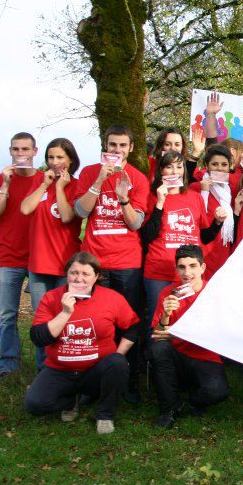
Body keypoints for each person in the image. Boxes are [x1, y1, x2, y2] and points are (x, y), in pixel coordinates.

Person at [73, 125, 149, 401]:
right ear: (104, 147)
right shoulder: (90, 172)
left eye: (122, 146)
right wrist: (98, 183)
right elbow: (81, 211)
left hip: (126, 262)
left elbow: (135, 223)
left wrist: (123, 198)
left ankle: (129, 381)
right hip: (94, 261)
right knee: (93, 321)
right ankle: (93, 382)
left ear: (130, 149)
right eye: (112, 145)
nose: (117, 151)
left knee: (127, 322)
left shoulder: (138, 178)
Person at [25, 252, 138, 435]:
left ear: (97, 277)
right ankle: (71, 400)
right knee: (35, 405)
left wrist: (118, 354)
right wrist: (65, 313)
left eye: (86, 274)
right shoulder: (52, 298)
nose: (79, 279)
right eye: (74, 273)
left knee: (117, 363)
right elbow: (39, 338)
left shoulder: (111, 298)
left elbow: (132, 327)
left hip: (95, 370)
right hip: (60, 369)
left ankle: (105, 414)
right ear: (66, 274)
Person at [142, 151, 227, 329]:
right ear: (161, 171)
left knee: (188, 322)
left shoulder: (194, 197)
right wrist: (160, 203)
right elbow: (147, 236)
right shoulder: (151, 196)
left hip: (189, 274)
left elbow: (205, 236)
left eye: (179, 167)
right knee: (158, 321)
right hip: (159, 273)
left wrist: (218, 222)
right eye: (169, 166)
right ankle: (156, 356)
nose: (175, 171)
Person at [147, 245, 230, 428]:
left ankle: (194, 399)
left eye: (193, 266)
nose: (187, 272)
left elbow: (219, 333)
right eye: (182, 267)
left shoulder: (214, 293)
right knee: (159, 348)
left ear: (202, 267)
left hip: (205, 356)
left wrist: (177, 336)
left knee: (218, 392)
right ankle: (169, 409)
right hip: (176, 356)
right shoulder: (168, 293)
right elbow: (157, 335)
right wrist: (166, 315)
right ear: (176, 269)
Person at [20, 138, 83, 370]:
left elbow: (67, 216)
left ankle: (64, 369)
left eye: (60, 158)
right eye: (50, 157)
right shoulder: (40, 181)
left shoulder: (76, 185)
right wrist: (44, 186)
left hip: (65, 266)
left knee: (66, 319)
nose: (55, 162)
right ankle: (43, 371)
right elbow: (26, 208)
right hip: (39, 264)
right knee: (42, 321)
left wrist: (59, 188)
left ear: (70, 160)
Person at [0, 132, 44, 378]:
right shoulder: (0, 179)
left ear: (35, 151)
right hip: (8, 258)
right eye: (16, 150)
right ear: (10, 151)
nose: (21, 155)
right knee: (7, 315)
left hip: (39, 258)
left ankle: (44, 368)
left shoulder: (44, 179)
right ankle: (8, 366)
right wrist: (5, 187)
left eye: (25, 150)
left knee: (41, 315)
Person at [188, 145, 236, 281]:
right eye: (214, 164)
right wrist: (204, 190)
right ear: (207, 166)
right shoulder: (195, 187)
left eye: (224, 164)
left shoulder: (231, 188)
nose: (220, 168)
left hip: (223, 247)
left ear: (230, 167)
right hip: (203, 248)